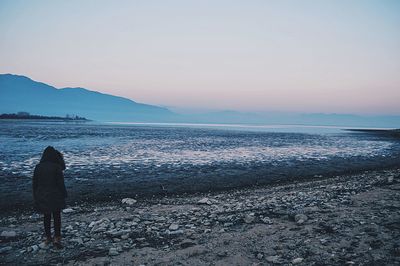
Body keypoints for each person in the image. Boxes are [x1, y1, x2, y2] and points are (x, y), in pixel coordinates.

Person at [33, 146, 67, 249]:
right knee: (57, 217)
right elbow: (60, 183)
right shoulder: (56, 167)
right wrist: (64, 194)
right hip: (55, 195)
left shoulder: (38, 167)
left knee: (46, 217)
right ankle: (57, 237)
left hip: (42, 195)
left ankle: (48, 237)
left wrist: (35, 196)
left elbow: (35, 184)